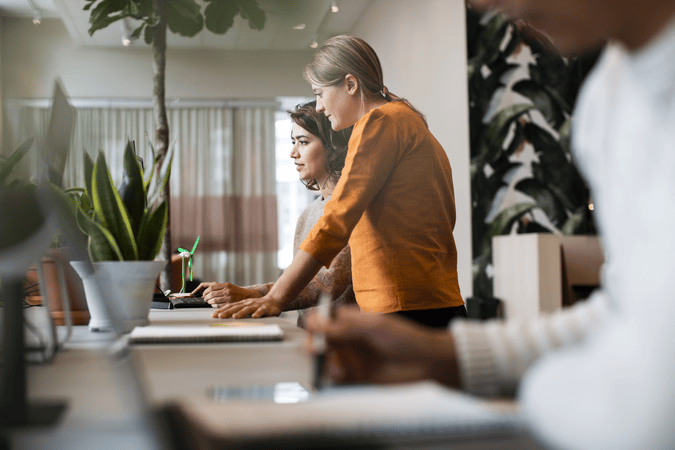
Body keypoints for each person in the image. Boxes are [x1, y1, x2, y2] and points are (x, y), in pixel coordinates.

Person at [307, 1, 675, 449]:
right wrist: (447, 356)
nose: (482, 5)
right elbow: (632, 312)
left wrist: (530, 392)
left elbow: (649, 411)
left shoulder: (384, 121)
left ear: (349, 84)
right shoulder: (607, 102)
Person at [213, 35, 466, 328]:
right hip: (434, 303)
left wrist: (276, 298)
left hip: (405, 310)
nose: (319, 106)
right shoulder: (408, 120)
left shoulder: (379, 122)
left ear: (350, 84)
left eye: (320, 93)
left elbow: (336, 221)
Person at [192, 102, 356, 327]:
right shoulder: (308, 214)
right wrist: (242, 293)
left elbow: (326, 283)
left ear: (333, 147)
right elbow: (299, 280)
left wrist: (250, 294)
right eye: (293, 142)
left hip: (344, 346)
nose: (293, 153)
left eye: (303, 142)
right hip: (309, 337)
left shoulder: (353, 206)